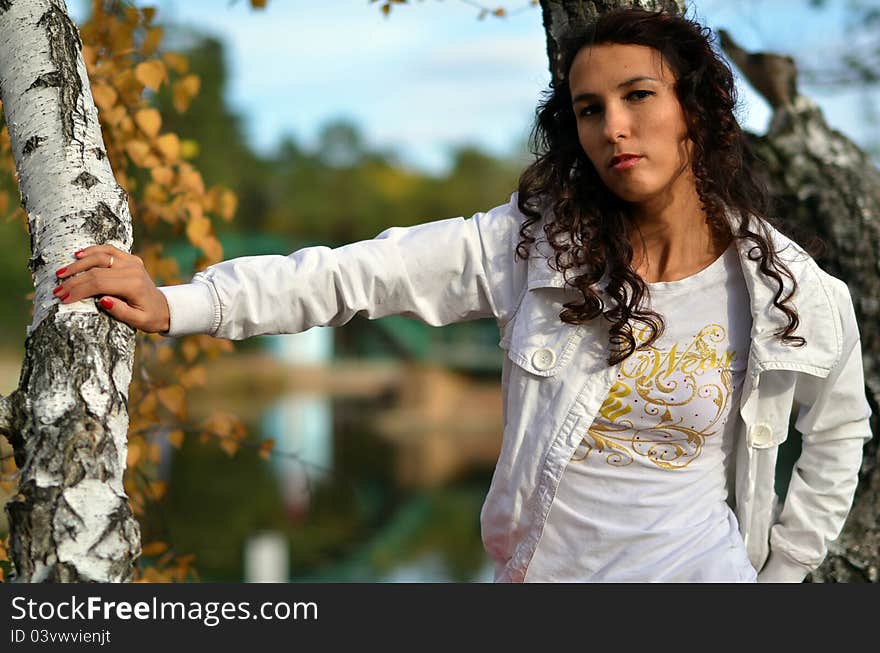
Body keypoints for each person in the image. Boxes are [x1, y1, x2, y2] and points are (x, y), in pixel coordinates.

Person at [52, 8, 871, 582]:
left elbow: (839, 431)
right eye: (590, 110)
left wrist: (784, 577)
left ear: (694, 111)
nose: (613, 127)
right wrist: (180, 302)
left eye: (639, 96)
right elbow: (357, 274)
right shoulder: (535, 249)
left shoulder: (785, 288)